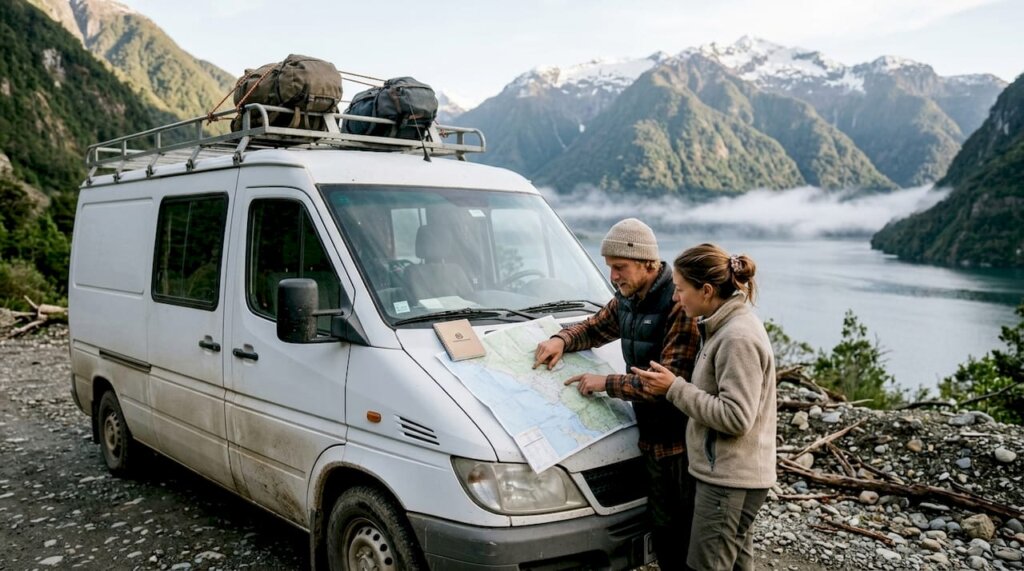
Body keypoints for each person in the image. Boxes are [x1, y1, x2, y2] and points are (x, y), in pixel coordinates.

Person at [533, 218, 700, 569]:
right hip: (650, 441)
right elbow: (596, 326)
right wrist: (561, 339)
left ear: (647, 263)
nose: (613, 277)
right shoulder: (630, 298)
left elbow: (664, 385)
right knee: (663, 535)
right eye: (609, 268)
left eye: (620, 267)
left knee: (684, 541)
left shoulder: (678, 305)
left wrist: (604, 383)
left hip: (681, 447)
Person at [632, 243, 776, 571]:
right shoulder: (721, 327)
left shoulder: (736, 338)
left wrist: (674, 388)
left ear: (707, 290)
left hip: (729, 480)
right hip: (733, 476)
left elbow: (737, 417)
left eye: (681, 289)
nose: (674, 297)